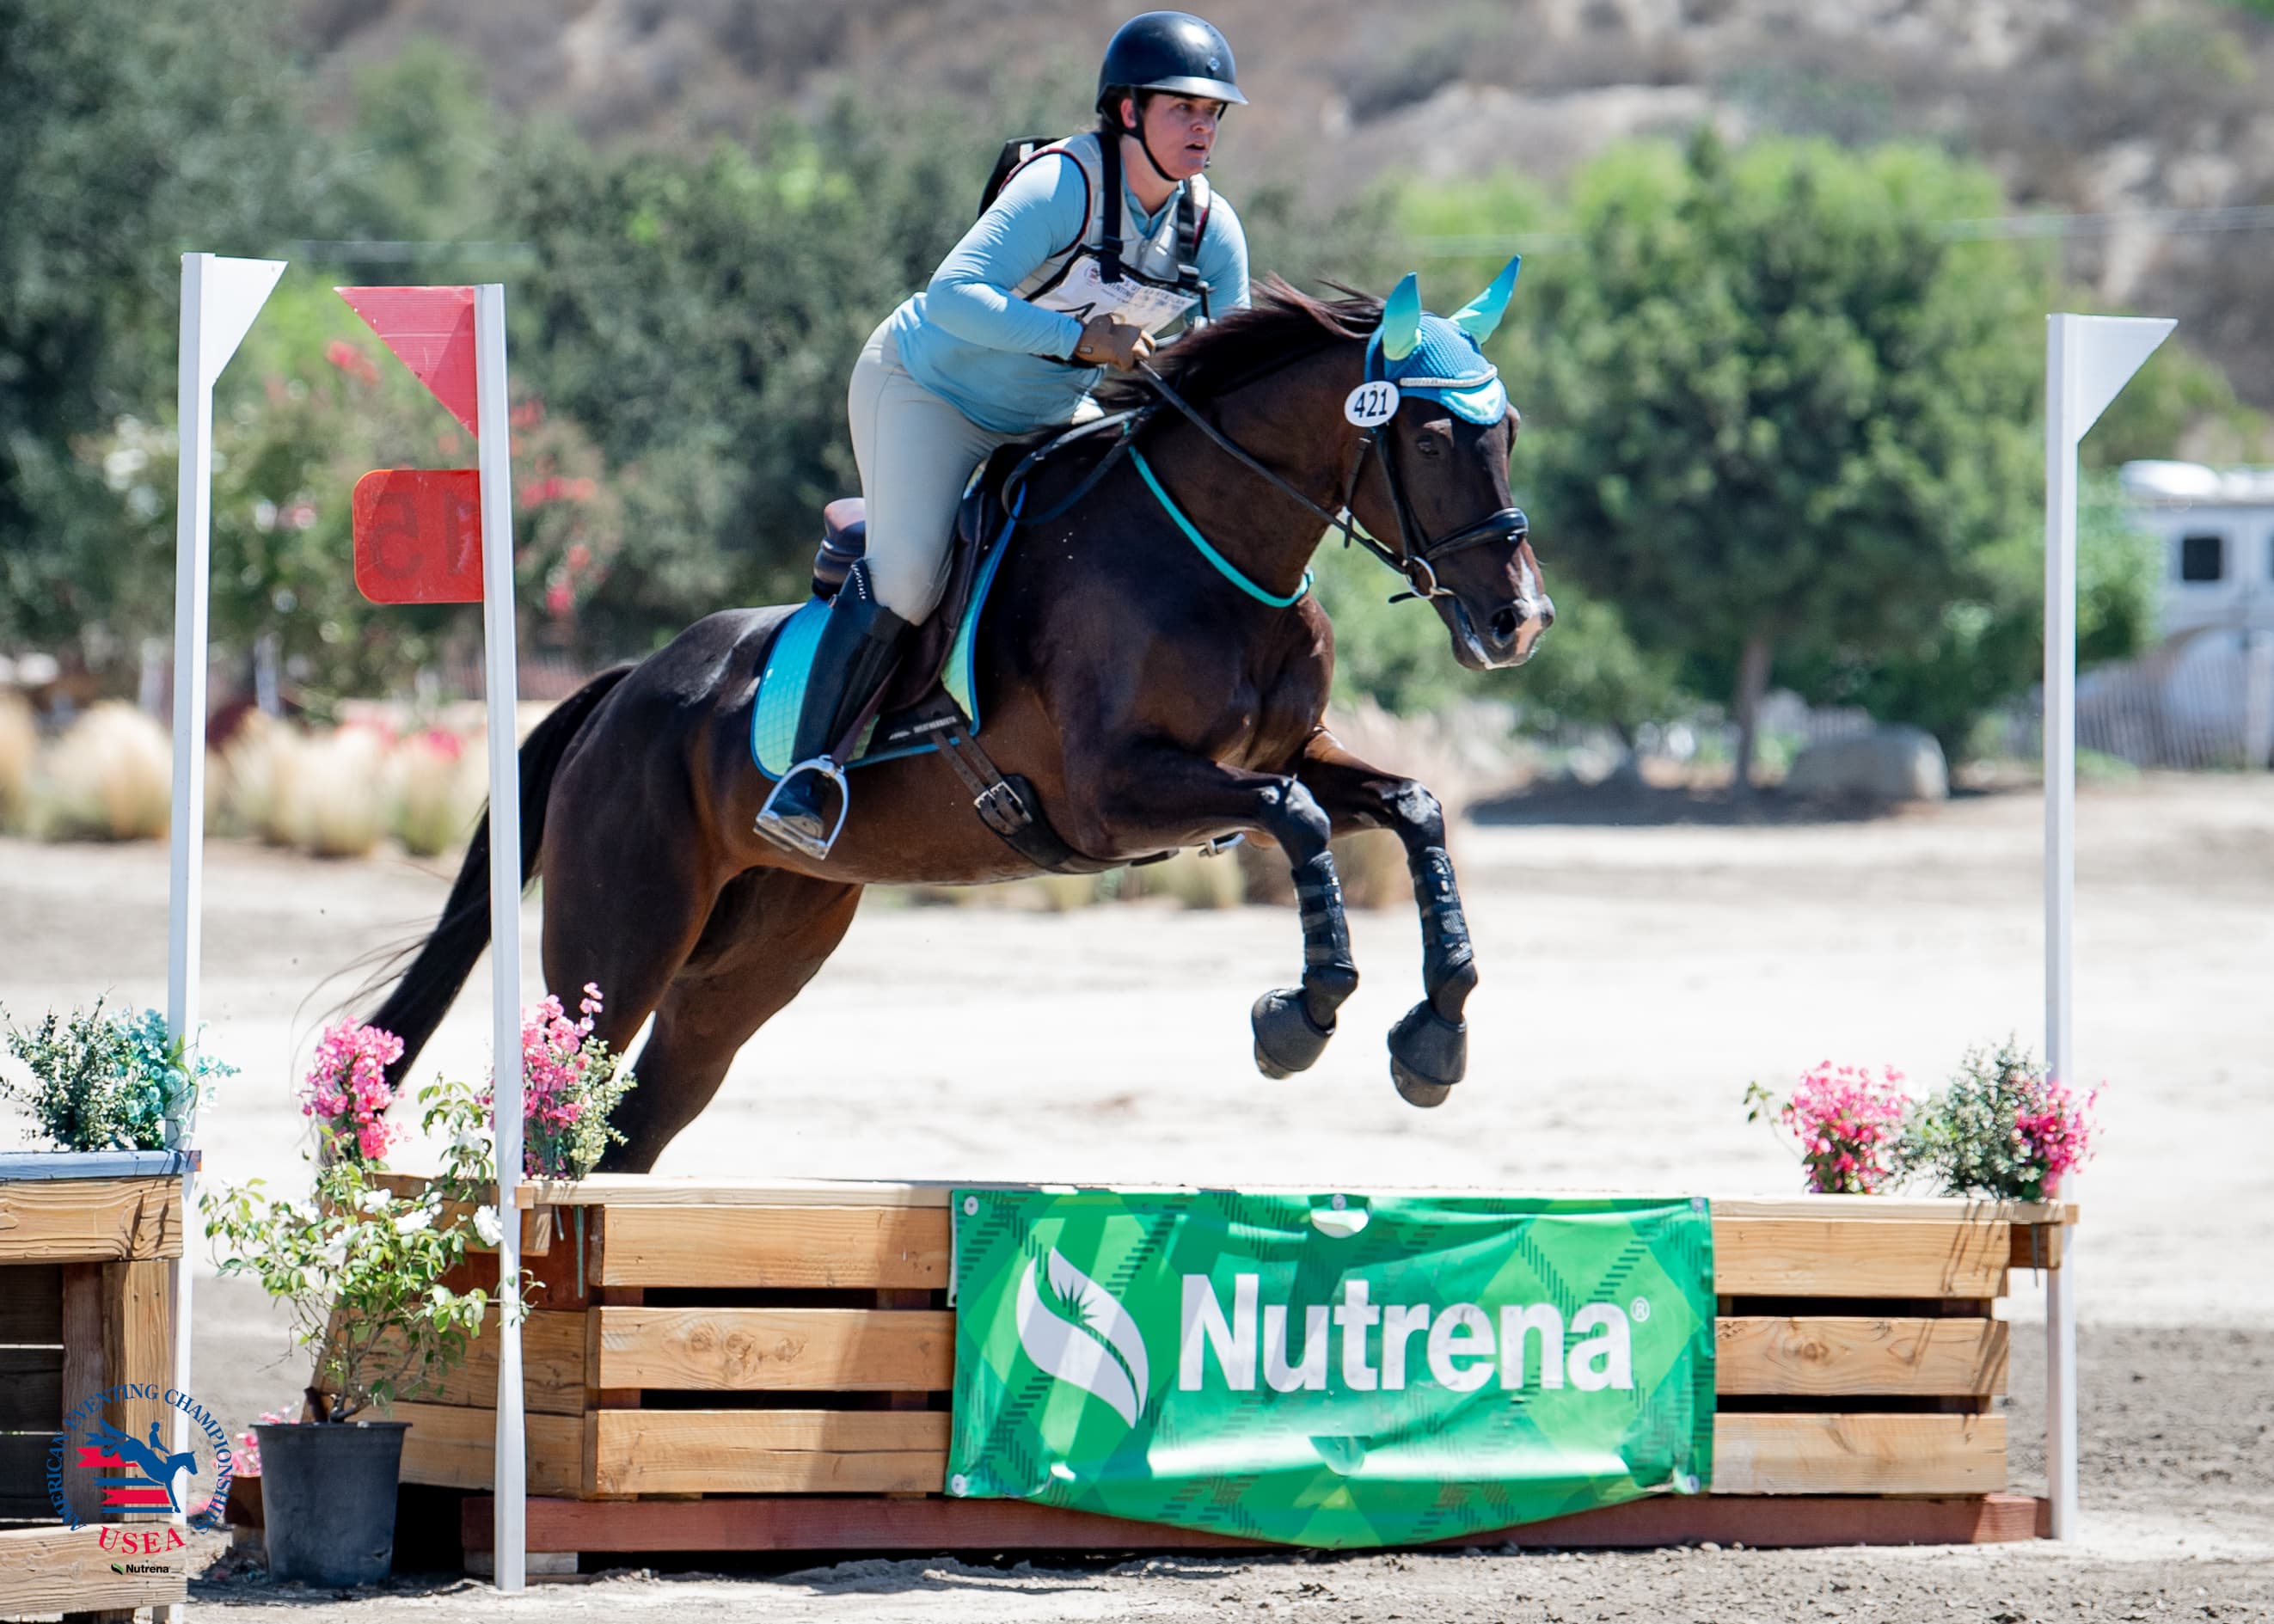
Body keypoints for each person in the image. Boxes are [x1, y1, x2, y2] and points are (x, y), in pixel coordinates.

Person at [755, 10, 1254, 858]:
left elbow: (1231, 372)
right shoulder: (1062, 185)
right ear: (1126, 112)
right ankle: (807, 774)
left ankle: (1196, 759)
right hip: (926, 390)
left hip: (1049, 413)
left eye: (1211, 114)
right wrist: (1077, 341)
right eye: (1181, 109)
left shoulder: (1210, 231)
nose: (1202, 128)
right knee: (911, 574)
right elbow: (951, 295)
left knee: (1156, 539)